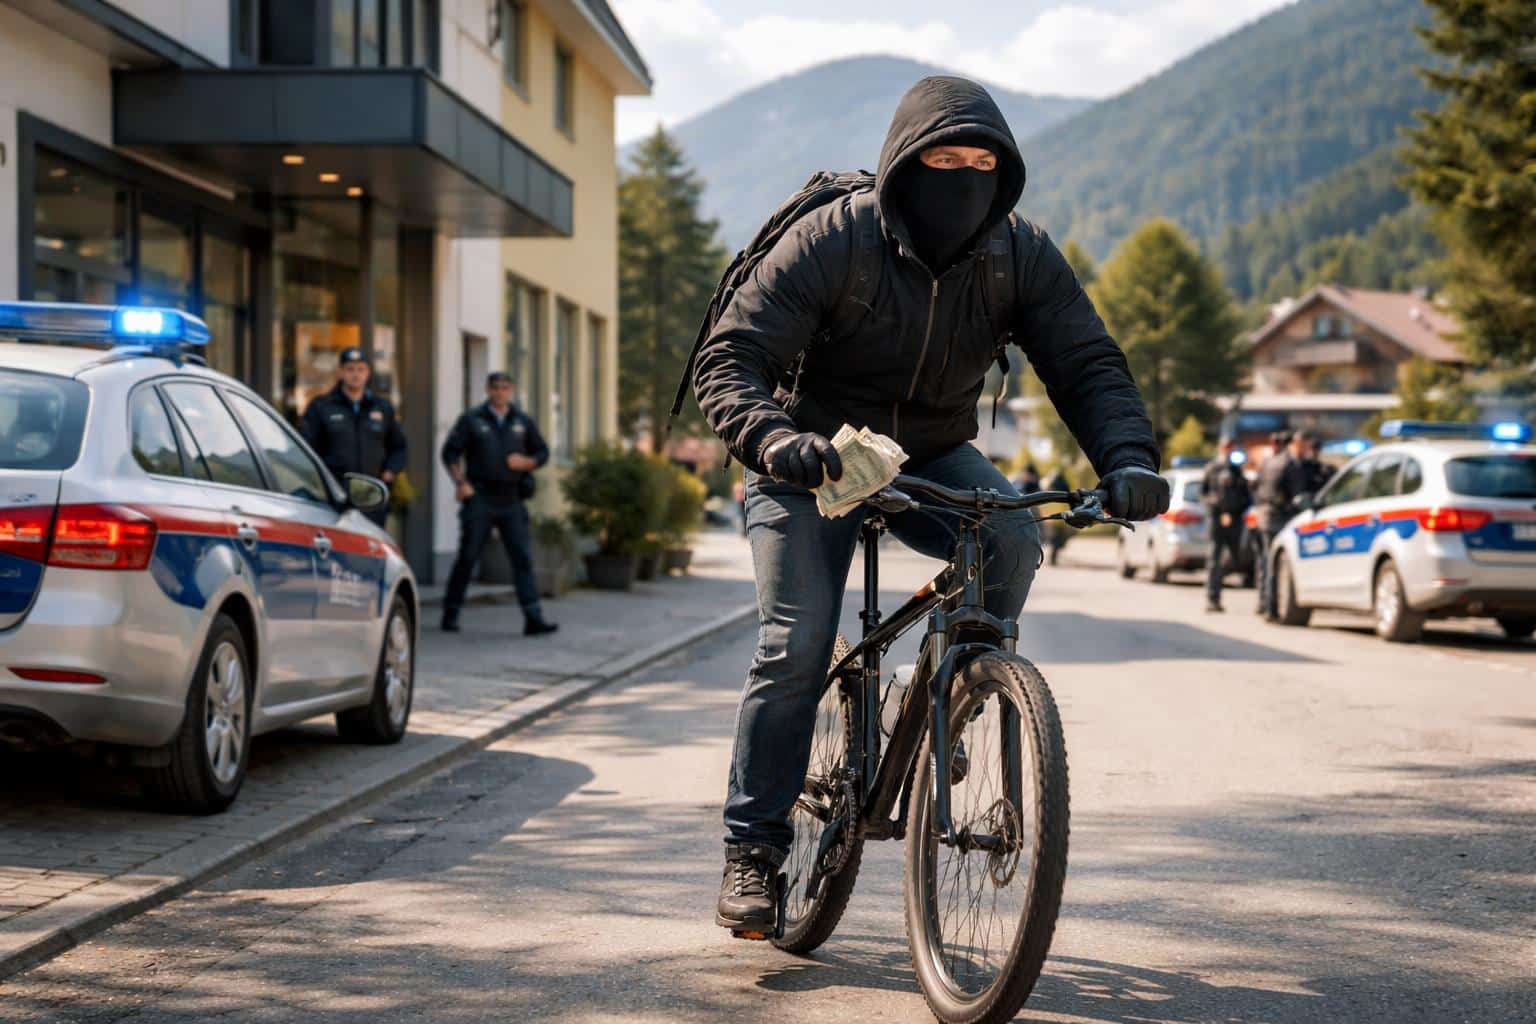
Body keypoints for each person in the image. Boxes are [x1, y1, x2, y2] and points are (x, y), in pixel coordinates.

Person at [691, 75, 1169, 935]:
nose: (964, 179)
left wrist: (1129, 459)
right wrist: (774, 439)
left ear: (1005, 173)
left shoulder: (1018, 254)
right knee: (796, 642)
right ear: (904, 163)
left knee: (1013, 536)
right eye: (944, 161)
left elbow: (1087, 364)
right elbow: (731, 360)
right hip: (810, 455)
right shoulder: (834, 239)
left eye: (982, 164)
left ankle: (943, 686)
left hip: (932, 450)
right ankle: (753, 850)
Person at [439, 372, 558, 637]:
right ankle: (451, 613)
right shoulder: (472, 419)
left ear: (511, 390)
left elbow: (542, 452)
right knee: (468, 556)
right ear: (488, 390)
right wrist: (460, 483)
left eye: (505, 387)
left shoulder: (522, 421)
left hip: (511, 498)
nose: (500, 392)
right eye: (496, 388)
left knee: (522, 558)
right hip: (480, 497)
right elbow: (449, 453)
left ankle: (534, 618)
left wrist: (528, 462)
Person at [300, 347, 408, 527]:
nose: (355, 375)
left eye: (360, 369)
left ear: (368, 373)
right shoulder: (321, 407)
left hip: (371, 498)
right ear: (340, 372)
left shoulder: (382, 407)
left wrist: (390, 472)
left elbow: (399, 446)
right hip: (334, 497)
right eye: (350, 369)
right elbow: (306, 449)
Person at [1253, 430, 1314, 615]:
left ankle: (1265, 603)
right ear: (1296, 444)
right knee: (1276, 564)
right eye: (1305, 446)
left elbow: (1258, 488)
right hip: (1281, 519)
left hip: (1266, 516)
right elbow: (1297, 495)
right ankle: (1272, 607)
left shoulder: (1269, 462)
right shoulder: (1291, 465)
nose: (1306, 450)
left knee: (1266, 562)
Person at [1200, 439, 1253, 613]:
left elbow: (1246, 497)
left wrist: (1235, 511)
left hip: (1234, 520)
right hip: (1216, 519)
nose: (1228, 450)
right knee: (1214, 559)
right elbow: (1203, 493)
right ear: (1220, 448)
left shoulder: (1237, 470)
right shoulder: (1212, 468)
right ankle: (1212, 597)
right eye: (1226, 447)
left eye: (1231, 448)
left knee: (1239, 557)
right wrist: (1216, 507)